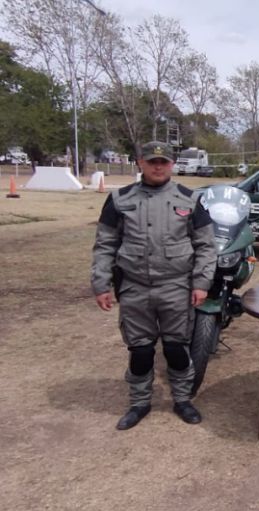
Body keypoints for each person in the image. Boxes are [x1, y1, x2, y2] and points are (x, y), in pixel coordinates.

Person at [91, 141, 217, 430]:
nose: (158, 167)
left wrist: (201, 283)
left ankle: (183, 400)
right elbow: (105, 245)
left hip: (176, 286)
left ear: (172, 164)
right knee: (141, 351)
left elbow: (206, 246)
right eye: (152, 162)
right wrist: (100, 284)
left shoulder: (189, 199)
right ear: (140, 162)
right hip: (135, 287)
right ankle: (139, 403)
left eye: (163, 162)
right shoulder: (119, 199)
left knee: (176, 348)